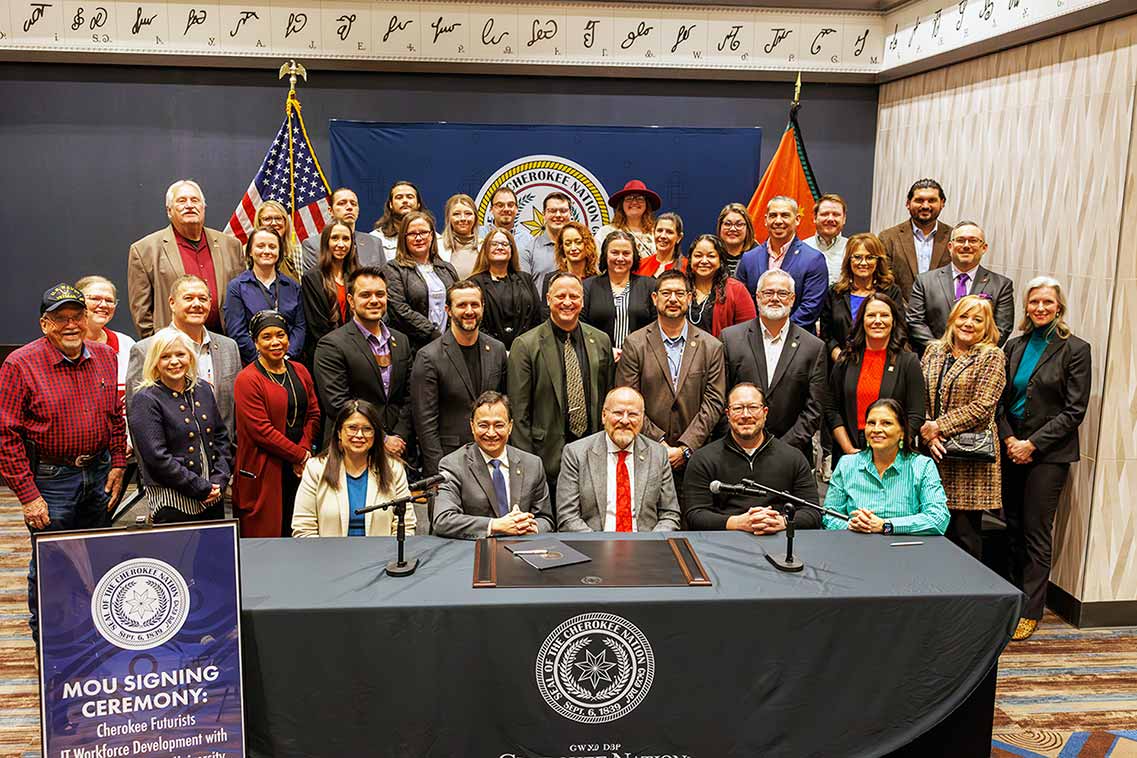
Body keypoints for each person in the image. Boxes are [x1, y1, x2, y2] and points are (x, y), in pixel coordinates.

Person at [0, 284, 126, 642]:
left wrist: (118, 463)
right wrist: (28, 496)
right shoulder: (19, 364)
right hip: (51, 479)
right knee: (52, 562)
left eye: (77, 316)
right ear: (45, 324)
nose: (71, 325)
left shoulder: (105, 355)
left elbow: (115, 416)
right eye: (60, 318)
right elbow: (5, 434)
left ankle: (95, 634)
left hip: (99, 472)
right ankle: (50, 643)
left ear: (86, 319)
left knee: (97, 557)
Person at [997, 277, 1092, 641]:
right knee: (1011, 526)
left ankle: (1031, 610)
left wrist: (1031, 444)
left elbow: (1074, 410)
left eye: (1047, 302)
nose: (1040, 308)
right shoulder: (1014, 345)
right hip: (1011, 447)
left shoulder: (1076, 349)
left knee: (1036, 531)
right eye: (1034, 302)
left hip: (1048, 455)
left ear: (1059, 307)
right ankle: (1011, 598)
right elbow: (1000, 400)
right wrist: (1010, 439)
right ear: (1026, 306)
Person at [508, 272, 615, 507]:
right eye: (560, 296)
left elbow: (608, 400)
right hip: (545, 460)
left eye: (574, 296)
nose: (567, 302)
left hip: (591, 456)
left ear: (582, 301)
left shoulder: (601, 341)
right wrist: (529, 465)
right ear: (548, 299)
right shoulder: (526, 345)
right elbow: (519, 413)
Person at [616, 270, 725, 496]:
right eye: (666, 293)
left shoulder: (711, 346)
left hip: (697, 458)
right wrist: (660, 445)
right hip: (646, 454)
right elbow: (628, 401)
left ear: (689, 298)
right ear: (655, 298)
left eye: (679, 293)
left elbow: (714, 403)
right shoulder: (635, 344)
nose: (673, 299)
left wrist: (686, 447)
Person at [920, 294, 1007, 559]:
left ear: (987, 326)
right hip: (933, 454)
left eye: (977, 320)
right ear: (952, 320)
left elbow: (983, 406)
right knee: (931, 535)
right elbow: (919, 394)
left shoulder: (992, 357)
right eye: (963, 316)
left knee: (965, 537)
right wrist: (928, 434)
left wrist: (938, 427)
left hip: (970, 461)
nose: (968, 323)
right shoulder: (934, 351)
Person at [721, 269, 827, 461]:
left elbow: (814, 409)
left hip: (791, 456)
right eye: (768, 292)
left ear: (792, 299)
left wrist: (779, 450)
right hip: (736, 452)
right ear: (758, 297)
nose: (775, 298)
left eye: (782, 293)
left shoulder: (813, 347)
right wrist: (740, 442)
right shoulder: (730, 339)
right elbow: (721, 396)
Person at [128, 328, 232, 523]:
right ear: (155, 362)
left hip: (213, 497)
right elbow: (157, 458)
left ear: (190, 357)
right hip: (173, 502)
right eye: (165, 356)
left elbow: (221, 438)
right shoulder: (146, 399)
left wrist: (220, 479)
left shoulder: (203, 389)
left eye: (180, 354)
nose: (174, 361)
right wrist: (199, 487)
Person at [683, 384, 820, 532]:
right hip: (726, 538)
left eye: (753, 407)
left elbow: (813, 512)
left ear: (765, 412)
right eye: (738, 408)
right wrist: (737, 523)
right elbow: (695, 515)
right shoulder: (703, 459)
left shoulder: (793, 457)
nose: (746, 415)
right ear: (728, 414)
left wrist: (782, 522)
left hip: (780, 536)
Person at [233, 311, 321, 537]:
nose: (275, 342)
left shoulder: (300, 370)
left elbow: (313, 414)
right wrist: (299, 456)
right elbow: (260, 431)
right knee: (267, 537)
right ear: (256, 342)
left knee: (300, 532)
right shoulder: (247, 379)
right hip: (265, 470)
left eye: (280, 335)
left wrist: (304, 450)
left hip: (299, 470)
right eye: (267, 337)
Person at [126, 275, 241, 442]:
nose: (197, 304)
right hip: (167, 455)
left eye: (203, 299)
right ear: (172, 303)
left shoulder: (228, 347)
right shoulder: (145, 350)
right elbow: (137, 420)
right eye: (188, 298)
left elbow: (236, 410)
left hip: (222, 453)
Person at [411, 280, 508, 477]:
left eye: (475, 305)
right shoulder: (428, 356)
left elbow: (506, 404)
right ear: (448, 310)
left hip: (492, 458)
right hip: (449, 461)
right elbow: (425, 424)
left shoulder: (497, 350)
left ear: (483, 307)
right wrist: (438, 473)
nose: (469, 311)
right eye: (462, 305)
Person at [313, 267, 414, 453]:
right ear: (351, 301)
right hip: (351, 448)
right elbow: (337, 403)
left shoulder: (401, 341)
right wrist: (382, 439)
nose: (374, 300)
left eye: (380, 294)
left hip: (398, 448)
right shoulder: (331, 345)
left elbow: (409, 396)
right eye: (365, 295)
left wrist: (399, 436)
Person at [127, 179, 243, 337]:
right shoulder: (145, 250)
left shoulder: (231, 246)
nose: (189, 205)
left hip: (223, 341)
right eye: (181, 201)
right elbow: (142, 312)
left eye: (195, 200)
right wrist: (157, 345)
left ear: (203, 208)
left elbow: (240, 298)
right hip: (174, 344)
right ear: (169, 211)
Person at [557, 387, 681, 532]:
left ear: (642, 419)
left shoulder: (658, 455)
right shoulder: (576, 453)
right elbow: (567, 517)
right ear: (604, 416)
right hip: (593, 541)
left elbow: (670, 515)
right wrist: (598, 543)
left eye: (633, 414)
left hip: (645, 542)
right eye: (618, 413)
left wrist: (649, 542)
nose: (625, 420)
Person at [433, 391, 555, 539]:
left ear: (510, 426)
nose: (491, 433)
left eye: (499, 425)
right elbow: (443, 520)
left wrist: (529, 527)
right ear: (472, 426)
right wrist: (495, 525)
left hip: (522, 546)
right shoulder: (453, 465)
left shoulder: (532, 464)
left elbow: (546, 520)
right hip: (475, 548)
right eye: (483, 425)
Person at [822, 399, 949, 535]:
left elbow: (939, 518)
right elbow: (829, 515)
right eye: (871, 423)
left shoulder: (922, 466)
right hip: (856, 542)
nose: (876, 429)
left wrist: (886, 526)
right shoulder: (847, 464)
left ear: (902, 432)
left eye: (886, 423)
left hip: (906, 545)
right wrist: (851, 525)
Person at [825, 293, 924, 465]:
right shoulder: (845, 360)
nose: (877, 321)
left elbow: (916, 414)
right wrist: (848, 450)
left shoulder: (909, 362)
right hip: (849, 455)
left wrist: (892, 449)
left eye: (884, 315)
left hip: (894, 457)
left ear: (894, 321)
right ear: (861, 321)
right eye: (871, 315)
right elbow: (831, 409)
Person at [292, 400, 415, 537]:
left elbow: (406, 526)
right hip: (327, 550)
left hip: (383, 550)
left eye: (367, 429)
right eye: (352, 428)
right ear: (339, 432)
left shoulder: (394, 469)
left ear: (375, 435)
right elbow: (303, 528)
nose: (359, 435)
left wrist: (389, 551)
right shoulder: (315, 469)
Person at [906, 220, 1015, 354]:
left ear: (984, 248)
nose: (966, 245)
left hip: (978, 361)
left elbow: (1002, 328)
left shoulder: (1001, 285)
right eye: (960, 240)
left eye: (973, 241)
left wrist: (969, 355)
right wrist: (941, 350)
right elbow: (915, 322)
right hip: (933, 358)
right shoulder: (925, 281)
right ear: (950, 246)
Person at [736, 196, 829, 332]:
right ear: (766, 220)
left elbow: (811, 307)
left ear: (797, 219)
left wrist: (780, 332)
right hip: (755, 337)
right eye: (773, 215)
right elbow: (742, 303)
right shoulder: (749, 258)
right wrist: (760, 333)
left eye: (785, 215)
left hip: (797, 338)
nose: (778, 221)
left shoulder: (814, 259)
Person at [225, 226, 306, 364]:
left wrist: (287, 356)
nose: (267, 251)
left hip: (289, 362)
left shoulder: (293, 286)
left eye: (272, 247)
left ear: (279, 251)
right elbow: (237, 332)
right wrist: (262, 361)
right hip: (253, 364)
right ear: (250, 251)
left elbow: (300, 327)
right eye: (260, 246)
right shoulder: (237, 287)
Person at [820, 233, 904, 363]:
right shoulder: (835, 293)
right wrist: (838, 356)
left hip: (882, 362)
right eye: (857, 257)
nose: (863, 263)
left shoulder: (891, 292)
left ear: (878, 261)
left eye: (870, 257)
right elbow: (826, 333)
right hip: (840, 364)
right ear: (849, 260)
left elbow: (900, 330)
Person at [384, 211, 460, 354]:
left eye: (423, 232)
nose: (419, 238)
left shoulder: (447, 268)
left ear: (431, 236)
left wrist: (451, 336)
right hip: (413, 348)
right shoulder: (393, 269)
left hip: (450, 345)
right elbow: (399, 310)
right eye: (412, 234)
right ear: (404, 238)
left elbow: (458, 302)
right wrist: (433, 334)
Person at [582, 231, 657, 357]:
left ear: (634, 256)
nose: (620, 258)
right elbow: (582, 327)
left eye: (626, 253)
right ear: (605, 255)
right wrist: (605, 350)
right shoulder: (588, 286)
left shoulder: (650, 286)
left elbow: (657, 326)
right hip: (598, 358)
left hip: (641, 359)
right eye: (615, 253)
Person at [878, 178, 952, 299]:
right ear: (908, 203)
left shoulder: (954, 237)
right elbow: (884, 281)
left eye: (932, 200)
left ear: (942, 203)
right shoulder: (888, 238)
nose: (925, 206)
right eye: (919, 200)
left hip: (943, 310)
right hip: (899, 309)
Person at [469, 228, 542, 350]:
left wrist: (524, 347)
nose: (500, 247)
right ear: (485, 250)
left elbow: (537, 317)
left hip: (526, 349)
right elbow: (475, 322)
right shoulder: (474, 283)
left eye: (504, 244)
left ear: (512, 250)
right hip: (487, 351)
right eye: (494, 244)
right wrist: (498, 350)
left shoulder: (526, 279)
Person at [301, 220, 359, 364]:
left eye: (346, 239)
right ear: (326, 242)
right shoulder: (312, 278)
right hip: (326, 354)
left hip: (358, 353)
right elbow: (317, 326)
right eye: (335, 238)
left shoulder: (359, 275)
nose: (341, 244)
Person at [76, 275, 136, 412]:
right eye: (95, 298)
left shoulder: (127, 344)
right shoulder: (67, 346)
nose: (103, 305)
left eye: (109, 300)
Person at [685, 234, 755, 337]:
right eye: (698, 255)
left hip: (723, 347)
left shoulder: (736, 289)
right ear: (690, 259)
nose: (704, 261)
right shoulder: (680, 287)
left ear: (720, 260)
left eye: (711, 256)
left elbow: (749, 332)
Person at [301, 187, 385, 271]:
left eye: (353, 204)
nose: (349, 207)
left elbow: (384, 276)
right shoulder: (313, 245)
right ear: (331, 211)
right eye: (342, 203)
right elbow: (313, 278)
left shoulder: (374, 243)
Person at [538, 221, 601, 318]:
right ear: (562, 248)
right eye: (568, 244)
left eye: (578, 242)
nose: (573, 248)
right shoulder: (551, 279)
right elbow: (545, 315)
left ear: (587, 245)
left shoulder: (598, 281)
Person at [520, 191, 572, 292]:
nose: (558, 215)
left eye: (563, 211)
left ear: (570, 213)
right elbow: (524, 290)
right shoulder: (529, 250)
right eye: (552, 211)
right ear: (544, 214)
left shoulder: (583, 248)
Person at [597, 180, 659, 259]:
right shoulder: (606, 232)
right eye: (629, 198)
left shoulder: (657, 233)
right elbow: (596, 261)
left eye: (640, 198)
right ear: (621, 205)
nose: (634, 202)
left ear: (647, 204)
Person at [802, 193, 850, 285]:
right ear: (815, 217)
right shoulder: (802, 248)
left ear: (844, 219)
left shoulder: (852, 248)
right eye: (825, 214)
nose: (830, 219)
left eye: (836, 214)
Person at [370, 180, 422, 262]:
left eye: (410, 197)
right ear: (390, 204)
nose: (405, 201)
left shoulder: (434, 238)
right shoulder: (375, 239)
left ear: (418, 204)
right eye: (399, 197)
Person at [254, 200, 303, 280]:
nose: (274, 223)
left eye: (278, 218)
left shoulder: (299, 253)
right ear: (259, 223)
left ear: (285, 222)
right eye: (267, 219)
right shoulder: (250, 254)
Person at [436, 193, 481, 278]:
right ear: (448, 218)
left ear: (475, 217)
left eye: (468, 213)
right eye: (456, 214)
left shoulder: (485, 246)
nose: (463, 218)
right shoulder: (436, 247)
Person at [715, 203, 757, 280]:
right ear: (720, 226)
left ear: (748, 228)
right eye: (727, 224)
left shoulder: (759, 255)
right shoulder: (712, 253)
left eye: (739, 224)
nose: (733, 229)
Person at [638, 212, 687, 277]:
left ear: (679, 237)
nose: (663, 236)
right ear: (653, 233)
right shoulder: (640, 265)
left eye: (669, 232)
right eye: (660, 230)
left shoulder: (687, 268)